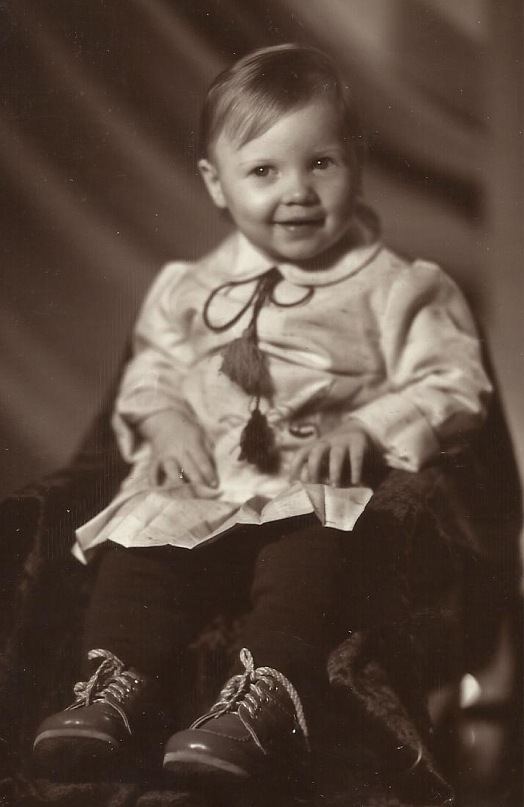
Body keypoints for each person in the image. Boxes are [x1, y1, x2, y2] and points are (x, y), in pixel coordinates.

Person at [32, 43, 491, 793]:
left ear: (358, 162)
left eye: (321, 163)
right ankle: (118, 686)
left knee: (314, 549)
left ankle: (265, 696)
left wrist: (368, 427)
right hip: (209, 483)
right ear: (217, 183)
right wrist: (168, 422)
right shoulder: (189, 288)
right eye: (264, 171)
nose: (297, 192)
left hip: (307, 480)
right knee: (140, 540)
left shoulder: (397, 287)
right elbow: (152, 371)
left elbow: (453, 382)